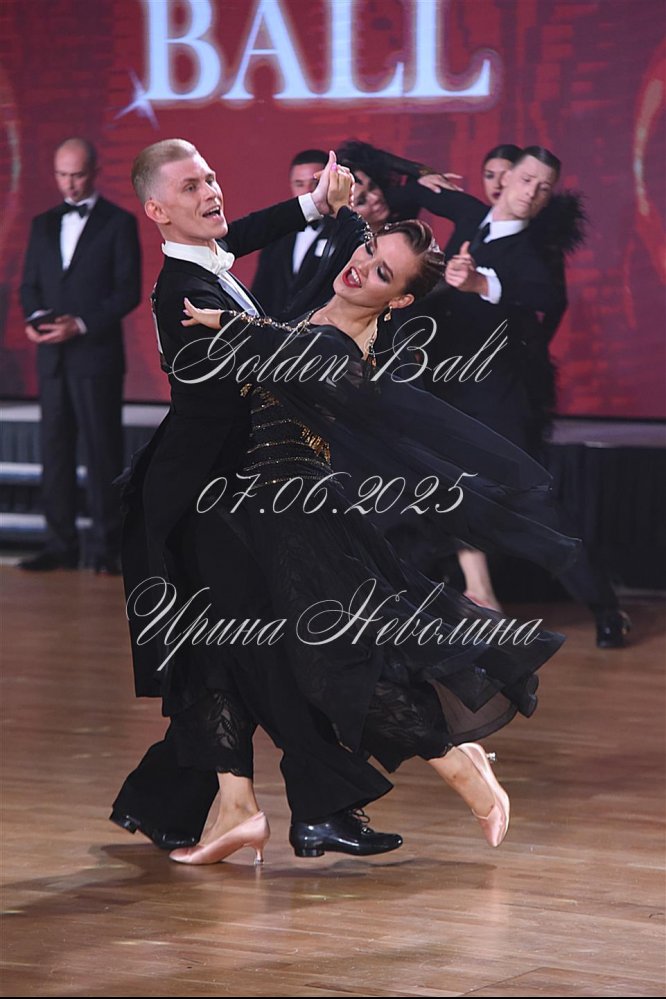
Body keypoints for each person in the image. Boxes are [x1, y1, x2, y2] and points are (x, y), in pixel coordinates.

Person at [170, 217, 579, 864]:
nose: (360, 266)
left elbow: (290, 354)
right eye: (367, 250)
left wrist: (227, 324)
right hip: (252, 516)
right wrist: (323, 208)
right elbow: (258, 278)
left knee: (334, 671)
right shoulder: (326, 307)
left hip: (298, 522)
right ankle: (238, 807)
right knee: (226, 652)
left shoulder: (342, 344)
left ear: (400, 300)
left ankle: (460, 765)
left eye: (382, 271)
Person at [111, 139, 400, 861]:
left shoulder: (206, 258)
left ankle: (168, 803)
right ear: (157, 210)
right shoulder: (185, 294)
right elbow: (266, 363)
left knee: (226, 656)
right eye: (190, 186)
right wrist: (335, 333)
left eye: (211, 176)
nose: (211, 190)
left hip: (229, 490)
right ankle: (321, 809)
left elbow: (245, 232)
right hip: (197, 501)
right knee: (256, 652)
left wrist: (315, 205)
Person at [19, 137, 141, 574]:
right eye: (62, 175)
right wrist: (35, 319)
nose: (69, 184)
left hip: (96, 357)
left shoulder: (119, 222)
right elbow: (30, 285)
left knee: (102, 452)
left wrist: (82, 324)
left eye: (77, 175)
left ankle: (108, 550)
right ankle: (60, 546)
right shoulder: (42, 224)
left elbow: (128, 291)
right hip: (52, 359)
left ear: (94, 172)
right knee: (55, 453)